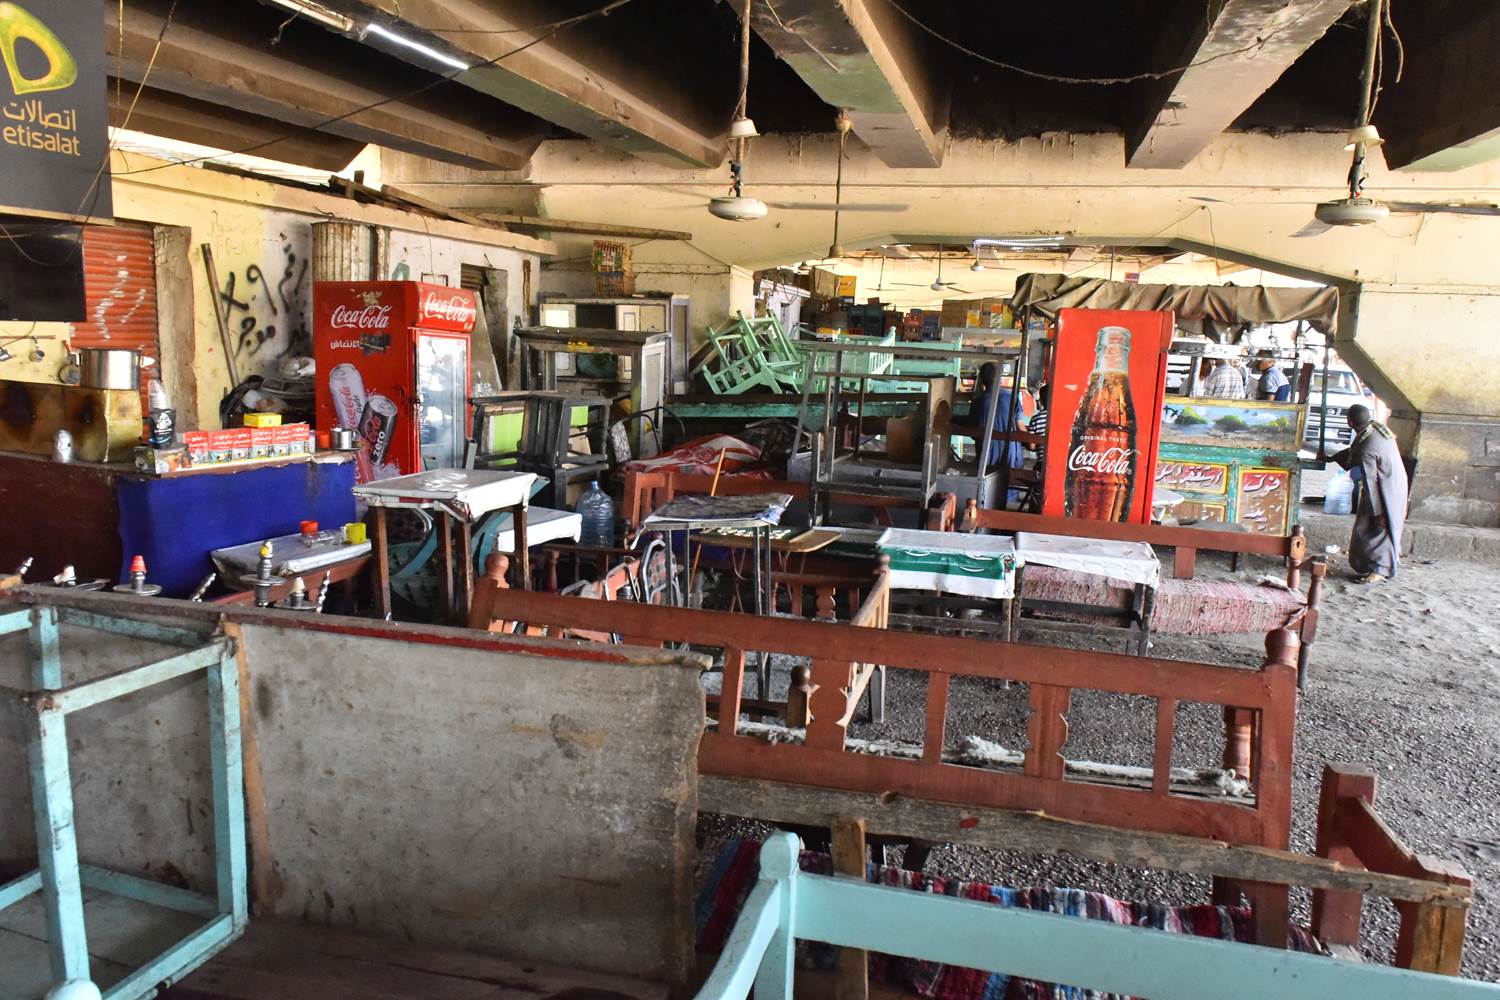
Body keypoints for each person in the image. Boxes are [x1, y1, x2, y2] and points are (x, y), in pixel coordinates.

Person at [1327, 403, 1407, 583]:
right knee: (1378, 528)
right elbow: (1354, 453)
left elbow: (1370, 481)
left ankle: (1379, 569)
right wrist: (1333, 457)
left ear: (1350, 423)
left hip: (1384, 490)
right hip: (1396, 483)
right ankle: (1378, 565)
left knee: (1376, 528)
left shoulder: (1367, 447)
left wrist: (1377, 511)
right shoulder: (1376, 429)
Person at [970, 362, 1024, 472]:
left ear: (982, 380)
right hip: (1011, 454)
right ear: (1000, 378)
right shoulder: (1012, 397)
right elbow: (1020, 428)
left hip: (987, 454)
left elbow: (973, 432)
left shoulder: (977, 401)